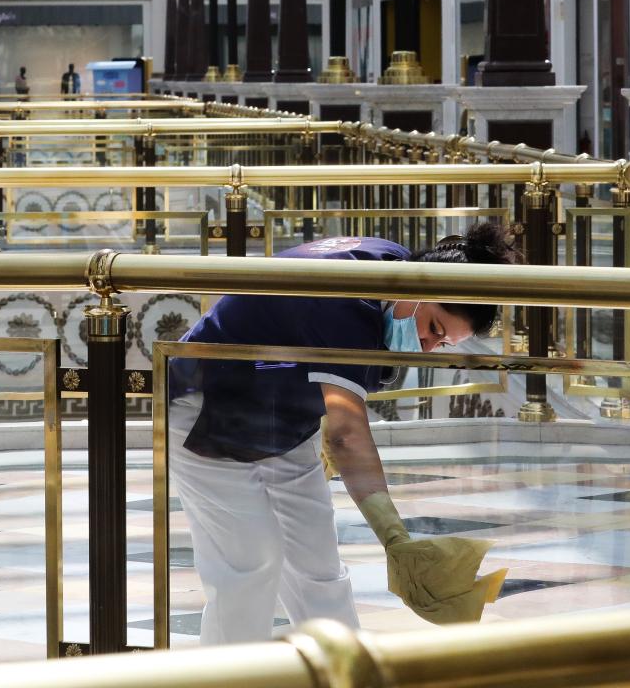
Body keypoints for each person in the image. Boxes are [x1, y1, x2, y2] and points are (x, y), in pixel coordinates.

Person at [168, 224, 520, 646]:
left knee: (317, 565)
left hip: (281, 420)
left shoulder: (391, 264)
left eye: (441, 344)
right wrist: (395, 538)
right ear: (420, 290)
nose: (425, 346)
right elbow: (346, 434)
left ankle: (347, 674)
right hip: (205, 409)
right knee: (248, 564)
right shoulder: (347, 306)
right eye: (433, 328)